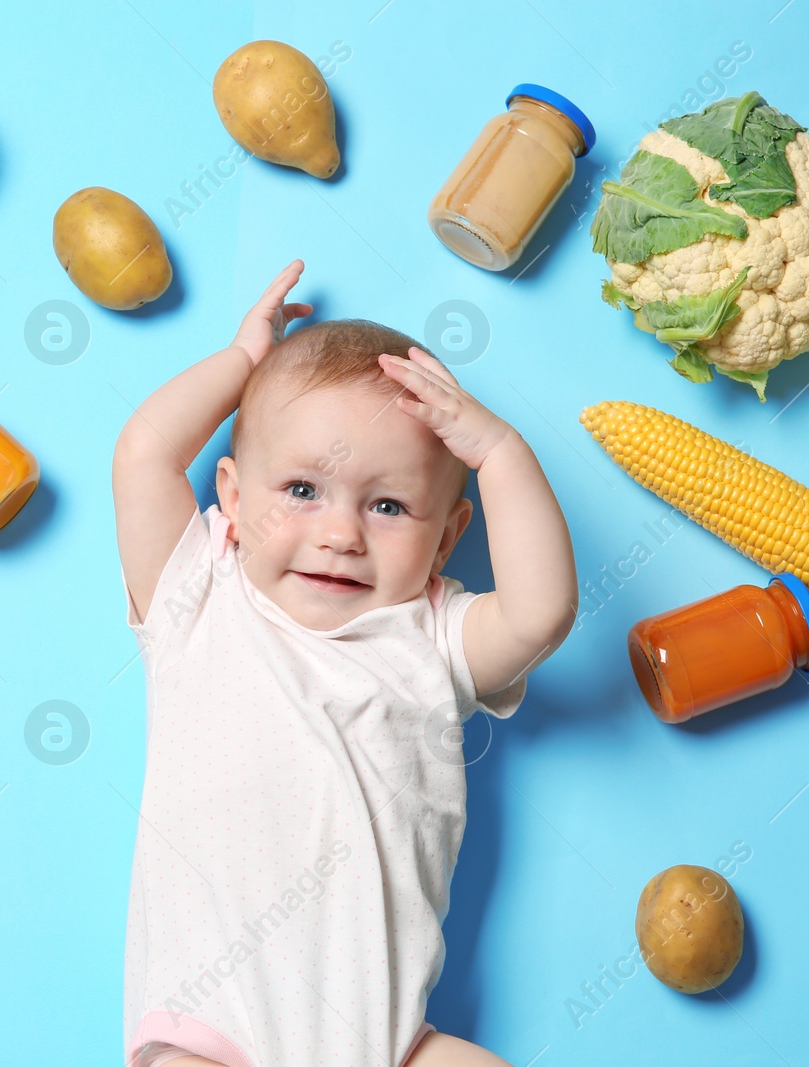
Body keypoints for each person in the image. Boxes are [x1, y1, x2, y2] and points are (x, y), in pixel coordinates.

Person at [114, 260, 578, 1066]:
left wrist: (498, 450)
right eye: (300, 488)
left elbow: (541, 612)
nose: (340, 532)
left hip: (390, 1044)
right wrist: (244, 365)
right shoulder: (199, 593)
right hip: (212, 1033)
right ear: (228, 496)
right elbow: (144, 454)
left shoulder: (431, 633)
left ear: (447, 536)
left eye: (388, 505)